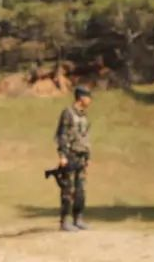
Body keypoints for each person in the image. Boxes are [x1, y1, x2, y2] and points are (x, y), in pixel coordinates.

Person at [55, 85, 92, 232]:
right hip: (70, 155)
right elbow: (62, 135)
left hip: (81, 156)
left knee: (80, 190)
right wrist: (63, 155)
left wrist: (88, 157)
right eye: (88, 97)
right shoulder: (68, 113)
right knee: (68, 189)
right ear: (81, 97)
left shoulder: (84, 116)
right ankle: (65, 220)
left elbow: (85, 138)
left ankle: (78, 218)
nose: (90, 100)